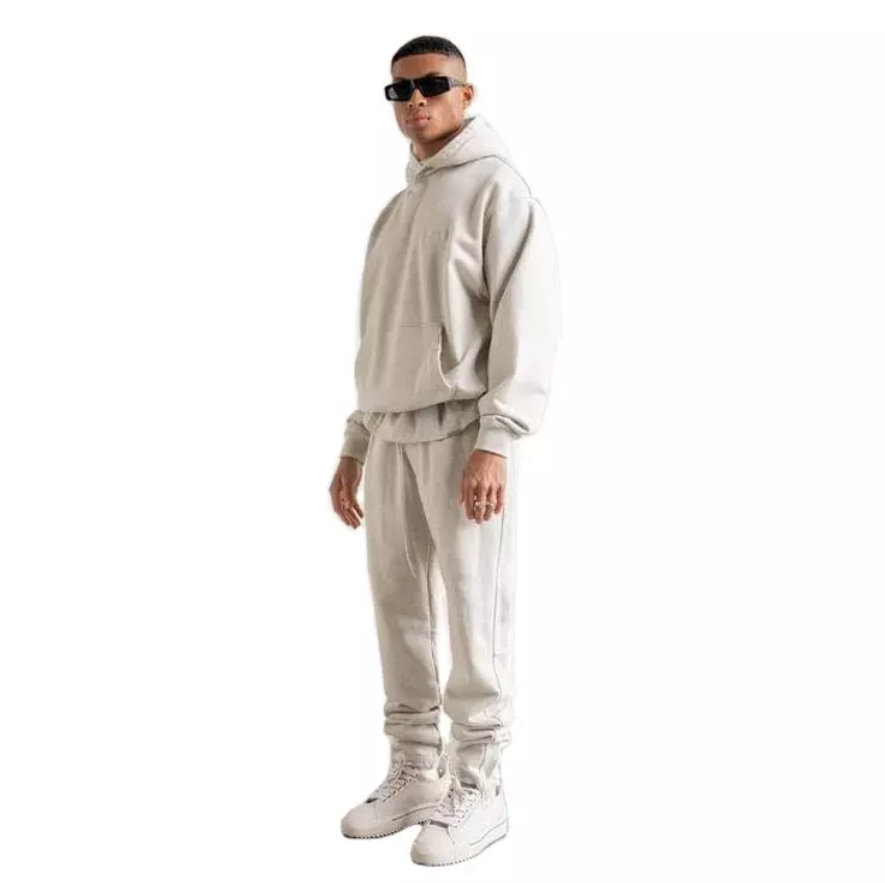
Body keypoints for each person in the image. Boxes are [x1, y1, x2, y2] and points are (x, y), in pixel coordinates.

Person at [329, 34, 562, 866]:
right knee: (399, 609)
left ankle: (481, 785)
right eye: (400, 90)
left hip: (463, 431)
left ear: (466, 92)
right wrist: (356, 440)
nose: (416, 101)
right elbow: (376, 337)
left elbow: (528, 323)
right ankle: (416, 770)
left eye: (432, 84)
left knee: (471, 608)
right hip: (391, 435)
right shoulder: (395, 214)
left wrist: (496, 439)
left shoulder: (498, 191)